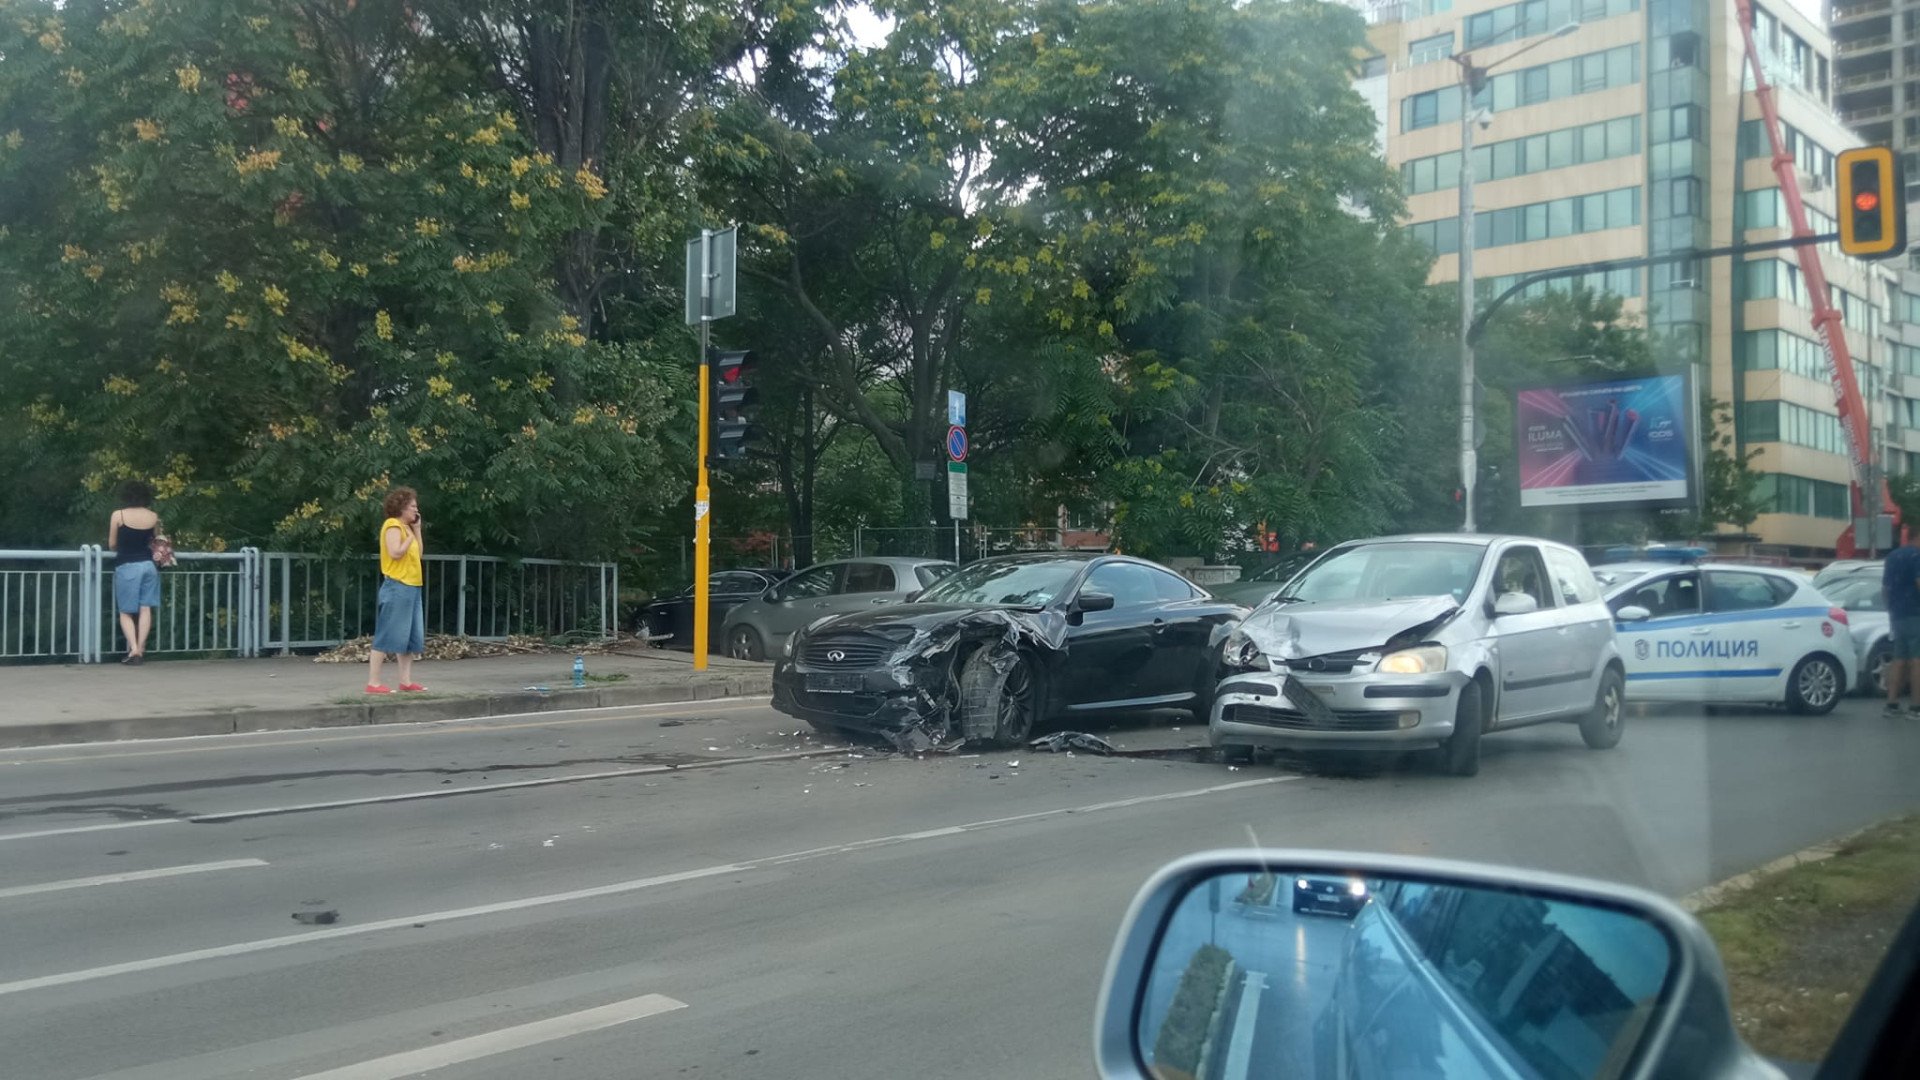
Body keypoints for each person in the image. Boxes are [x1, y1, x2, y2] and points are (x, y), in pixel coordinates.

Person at [367, 486, 427, 694]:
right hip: (397, 585)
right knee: (387, 632)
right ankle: (373, 682)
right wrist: (409, 535)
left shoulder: (408, 528)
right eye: (412, 506)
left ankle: (405, 680)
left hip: (413, 585)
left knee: (410, 635)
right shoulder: (392, 525)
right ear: (401, 508)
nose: (416, 510)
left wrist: (416, 530)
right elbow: (395, 553)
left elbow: (419, 554)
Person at [107, 481, 163, 665]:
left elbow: (112, 544)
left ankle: (134, 650)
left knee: (125, 612)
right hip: (149, 566)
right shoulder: (153, 516)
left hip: (128, 565)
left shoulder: (118, 515)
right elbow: (155, 542)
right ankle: (141, 647)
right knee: (145, 608)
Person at [1881, 538, 1920, 716]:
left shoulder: (1892, 557)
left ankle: (1892, 703)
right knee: (1916, 660)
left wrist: (1890, 609)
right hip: (1915, 613)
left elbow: (1885, 588)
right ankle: (1915, 707)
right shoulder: (1916, 556)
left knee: (1899, 659)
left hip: (1897, 614)